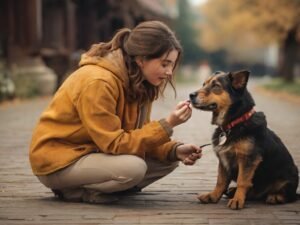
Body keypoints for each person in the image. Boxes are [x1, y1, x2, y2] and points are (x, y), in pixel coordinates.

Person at [29, 20, 202, 204]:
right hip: (60, 162)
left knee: (169, 159)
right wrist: (168, 124)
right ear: (141, 59)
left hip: (95, 152)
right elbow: (114, 144)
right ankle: (76, 192)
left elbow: (137, 135)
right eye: (164, 64)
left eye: (172, 66)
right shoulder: (98, 82)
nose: (169, 72)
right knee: (134, 168)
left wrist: (174, 150)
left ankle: (106, 189)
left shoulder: (139, 83)